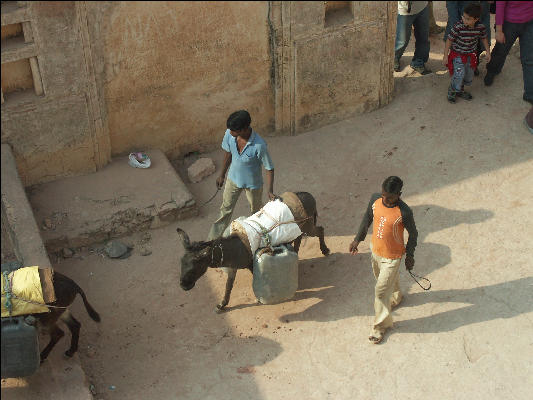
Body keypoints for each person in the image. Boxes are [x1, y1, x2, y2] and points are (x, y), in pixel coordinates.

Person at [349, 176, 418, 344]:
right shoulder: (375, 199)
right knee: (385, 284)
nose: (385, 200)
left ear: (399, 194)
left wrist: (410, 255)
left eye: (390, 197)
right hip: (375, 251)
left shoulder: (404, 212)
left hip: (392, 257)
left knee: (380, 290)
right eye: (384, 195)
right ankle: (396, 297)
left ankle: (379, 327)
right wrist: (358, 239)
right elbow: (367, 218)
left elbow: (414, 234)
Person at [207, 110, 275, 241]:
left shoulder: (259, 145)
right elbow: (228, 154)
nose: (230, 132)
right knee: (225, 211)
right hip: (233, 180)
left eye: (234, 130)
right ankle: (211, 241)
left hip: (253, 185)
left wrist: (270, 190)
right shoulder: (229, 134)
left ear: (244, 129)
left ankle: (263, 241)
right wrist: (222, 175)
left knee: (256, 214)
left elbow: (269, 168)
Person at [484, 1, 533, 105]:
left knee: (529, 59)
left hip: (529, 22)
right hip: (509, 23)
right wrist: (499, 30)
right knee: (501, 50)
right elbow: (500, 5)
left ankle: (530, 94)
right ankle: (492, 70)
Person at [443, 2, 491, 103]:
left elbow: (484, 38)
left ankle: (460, 90)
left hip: (471, 55)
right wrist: (445, 55)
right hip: (458, 54)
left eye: (468, 19)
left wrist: (488, 51)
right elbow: (449, 40)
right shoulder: (458, 26)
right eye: (464, 17)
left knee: (468, 74)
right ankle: (452, 90)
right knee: (459, 74)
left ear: (476, 19)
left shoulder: (480, 27)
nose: (464, 20)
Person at [444, 1, 492, 76]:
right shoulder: (459, 24)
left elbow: (484, 37)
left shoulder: (480, 26)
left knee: (477, 44)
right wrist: (455, 24)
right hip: (463, 12)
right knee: (458, 45)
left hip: (481, 12)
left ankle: (472, 66)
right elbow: (451, 5)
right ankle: (456, 69)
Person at [394, 1, 432, 74]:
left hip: (423, 7)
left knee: (423, 37)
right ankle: (394, 58)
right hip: (405, 10)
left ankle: (418, 62)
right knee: (402, 41)